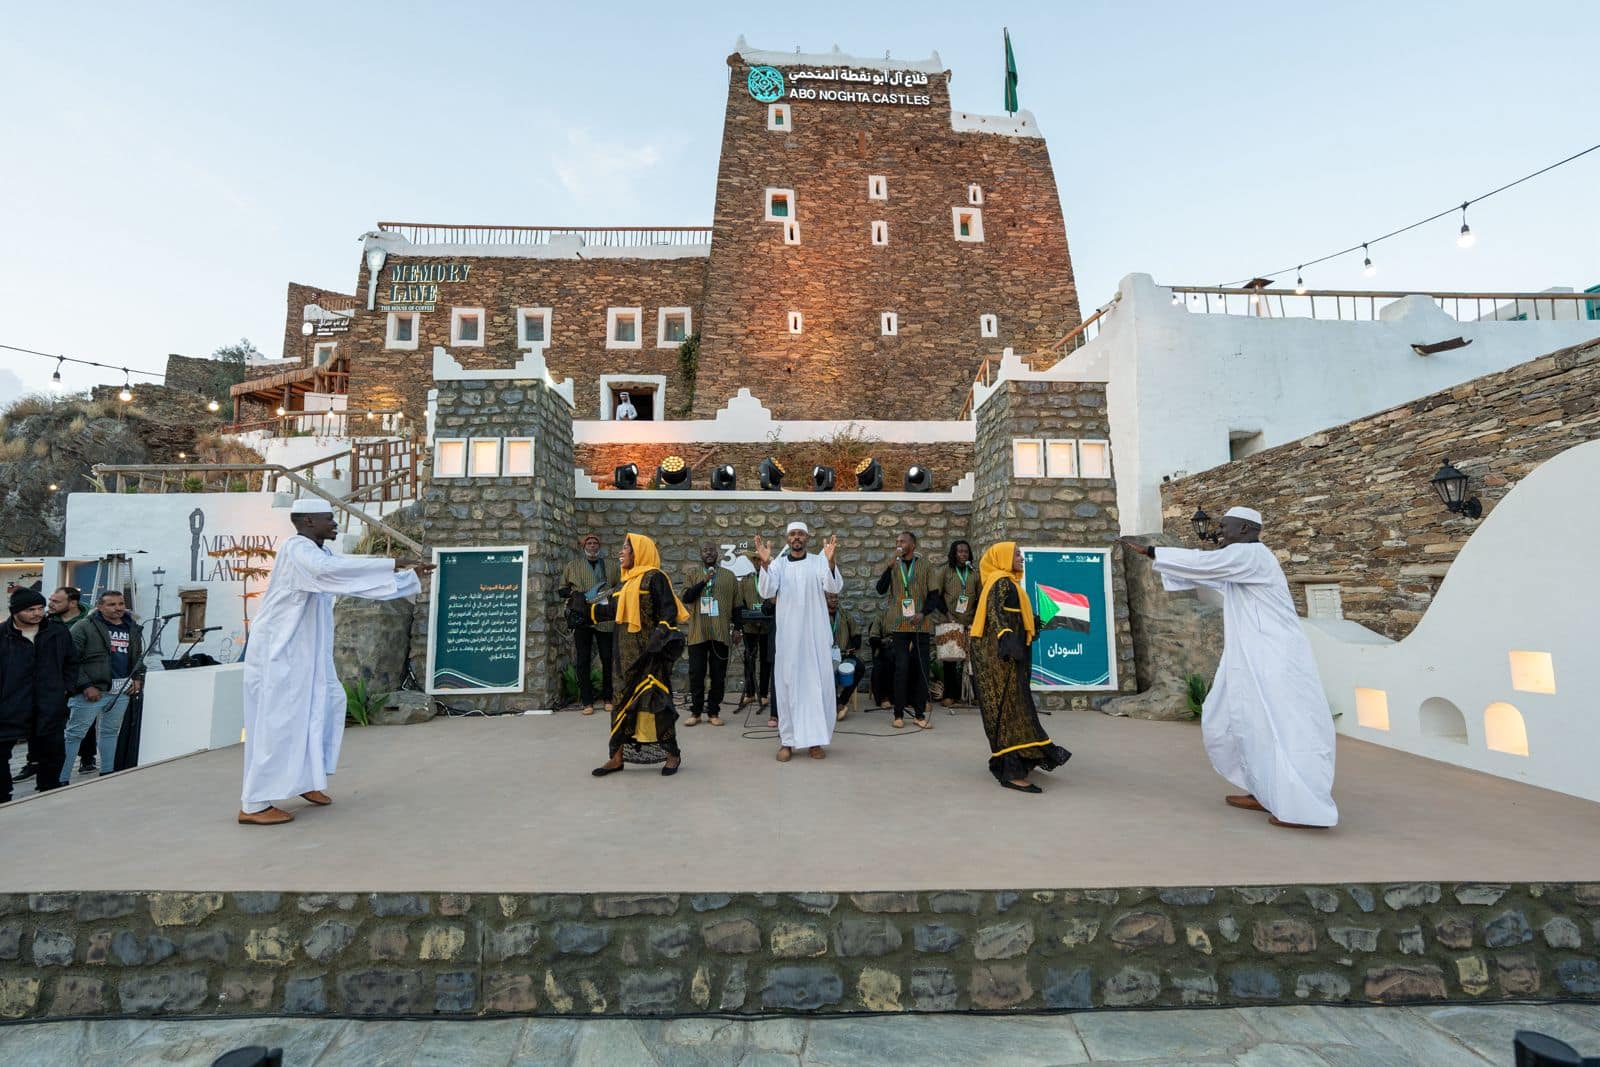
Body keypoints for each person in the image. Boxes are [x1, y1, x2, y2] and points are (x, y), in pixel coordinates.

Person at [1119, 506, 1338, 829]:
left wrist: (1153, 551)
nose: (1218, 530)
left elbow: (1205, 564)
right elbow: (1206, 573)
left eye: (1225, 526)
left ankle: (1305, 808)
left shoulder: (1250, 555)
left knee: (1284, 726)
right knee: (1239, 720)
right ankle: (1264, 791)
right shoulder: (1242, 561)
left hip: (1274, 659)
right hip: (1250, 657)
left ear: (1246, 529)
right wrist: (1163, 560)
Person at [238, 500, 432, 825]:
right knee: (279, 721)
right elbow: (330, 572)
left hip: (307, 652)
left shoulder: (320, 552)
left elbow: (350, 577)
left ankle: (306, 780)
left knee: (326, 704)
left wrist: (404, 576)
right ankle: (254, 804)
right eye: (328, 518)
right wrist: (390, 563)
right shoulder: (297, 550)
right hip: (279, 652)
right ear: (308, 520)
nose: (335, 524)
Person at [970, 542, 1071, 793]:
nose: (1021, 557)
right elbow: (995, 614)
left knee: (1017, 707)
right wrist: (1005, 637)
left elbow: (1015, 616)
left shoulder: (1010, 583)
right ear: (1002, 557)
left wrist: (1039, 620)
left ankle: (1022, 758)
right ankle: (1011, 772)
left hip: (1013, 652)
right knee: (1010, 710)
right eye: (1016, 553)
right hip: (1003, 657)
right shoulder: (1000, 582)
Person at [585, 533, 689, 777]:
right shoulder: (624, 582)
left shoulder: (655, 577)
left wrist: (659, 636)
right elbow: (613, 610)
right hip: (623, 657)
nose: (621, 552)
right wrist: (584, 611)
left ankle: (672, 754)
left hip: (650, 655)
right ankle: (616, 757)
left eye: (626, 548)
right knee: (621, 704)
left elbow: (668, 612)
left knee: (656, 704)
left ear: (640, 551)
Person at [756, 522, 843, 761]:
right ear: (788, 538)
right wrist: (765, 563)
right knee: (788, 689)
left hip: (815, 638)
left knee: (816, 689)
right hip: (789, 639)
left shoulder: (818, 561)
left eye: (801, 534)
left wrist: (831, 562)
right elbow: (766, 591)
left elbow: (833, 586)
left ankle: (815, 742)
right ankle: (788, 741)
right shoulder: (778, 565)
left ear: (807, 537)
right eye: (793, 534)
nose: (796, 537)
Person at [62, 590, 145, 784]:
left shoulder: (132, 627)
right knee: (74, 734)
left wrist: (137, 678)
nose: (118, 608)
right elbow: (70, 660)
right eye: (111, 604)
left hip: (121, 690)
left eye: (121, 603)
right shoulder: (84, 626)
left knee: (110, 732)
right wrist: (85, 685)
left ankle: (108, 772)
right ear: (100, 606)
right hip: (92, 691)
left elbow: (138, 656)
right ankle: (61, 778)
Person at [0, 589, 75, 802]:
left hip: (49, 705)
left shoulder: (57, 632)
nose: (37, 613)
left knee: (52, 755)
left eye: (40, 608)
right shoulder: (2, 635)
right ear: (15, 611)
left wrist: (65, 689)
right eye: (30, 609)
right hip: (10, 707)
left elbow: (71, 662)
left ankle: (49, 795)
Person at [874, 531, 939, 729]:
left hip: (921, 625)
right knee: (901, 669)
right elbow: (880, 589)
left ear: (913, 544)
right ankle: (898, 714)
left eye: (902, 541)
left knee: (921, 669)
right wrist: (888, 566)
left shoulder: (925, 565)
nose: (899, 544)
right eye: (897, 541)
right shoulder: (894, 565)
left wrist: (923, 612)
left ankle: (919, 715)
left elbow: (934, 595)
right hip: (900, 625)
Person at [558, 533, 620, 715]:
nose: (592, 545)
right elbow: (562, 589)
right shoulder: (573, 566)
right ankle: (587, 702)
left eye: (595, 543)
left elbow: (620, 587)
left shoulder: (611, 566)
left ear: (599, 546)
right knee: (583, 660)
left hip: (605, 618)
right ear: (584, 546)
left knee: (607, 658)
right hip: (582, 618)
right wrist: (576, 595)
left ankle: (608, 698)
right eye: (589, 543)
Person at [682, 541, 739, 727]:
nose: (709, 553)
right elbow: (686, 597)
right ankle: (696, 712)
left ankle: (713, 712)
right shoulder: (692, 574)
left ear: (717, 554)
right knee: (696, 674)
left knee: (718, 675)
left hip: (720, 632)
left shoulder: (729, 576)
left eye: (712, 550)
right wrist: (704, 581)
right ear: (700, 554)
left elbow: (737, 606)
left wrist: (737, 628)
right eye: (705, 550)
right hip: (698, 633)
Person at [47, 587, 96, 775]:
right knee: (47, 720)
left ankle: (87, 757)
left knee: (84, 719)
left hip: (81, 676)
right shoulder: (48, 620)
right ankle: (37, 761)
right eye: (51, 600)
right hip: (52, 678)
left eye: (56, 601)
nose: (51, 604)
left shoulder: (90, 621)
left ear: (73, 603)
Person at [731, 550, 776, 724]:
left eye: (760, 559)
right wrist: (748, 617)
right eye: (755, 560)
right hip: (750, 627)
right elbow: (740, 602)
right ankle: (749, 693)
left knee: (766, 661)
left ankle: (763, 694)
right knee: (749, 658)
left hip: (767, 627)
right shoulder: (746, 581)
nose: (758, 562)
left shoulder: (772, 579)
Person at [935, 540, 979, 708]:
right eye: (960, 551)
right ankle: (949, 695)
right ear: (954, 553)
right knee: (950, 660)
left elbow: (980, 597)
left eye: (966, 552)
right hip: (950, 622)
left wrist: (976, 619)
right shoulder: (945, 571)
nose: (963, 554)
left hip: (970, 623)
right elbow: (936, 596)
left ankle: (971, 695)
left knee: (971, 662)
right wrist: (947, 615)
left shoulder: (974, 573)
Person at [826, 592, 863, 721]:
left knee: (859, 667)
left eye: (836, 597)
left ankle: (841, 701)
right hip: (825, 657)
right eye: (831, 598)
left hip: (843, 654)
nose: (834, 600)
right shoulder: (818, 616)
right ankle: (838, 706)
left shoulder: (845, 615)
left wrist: (854, 647)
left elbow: (856, 634)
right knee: (826, 672)